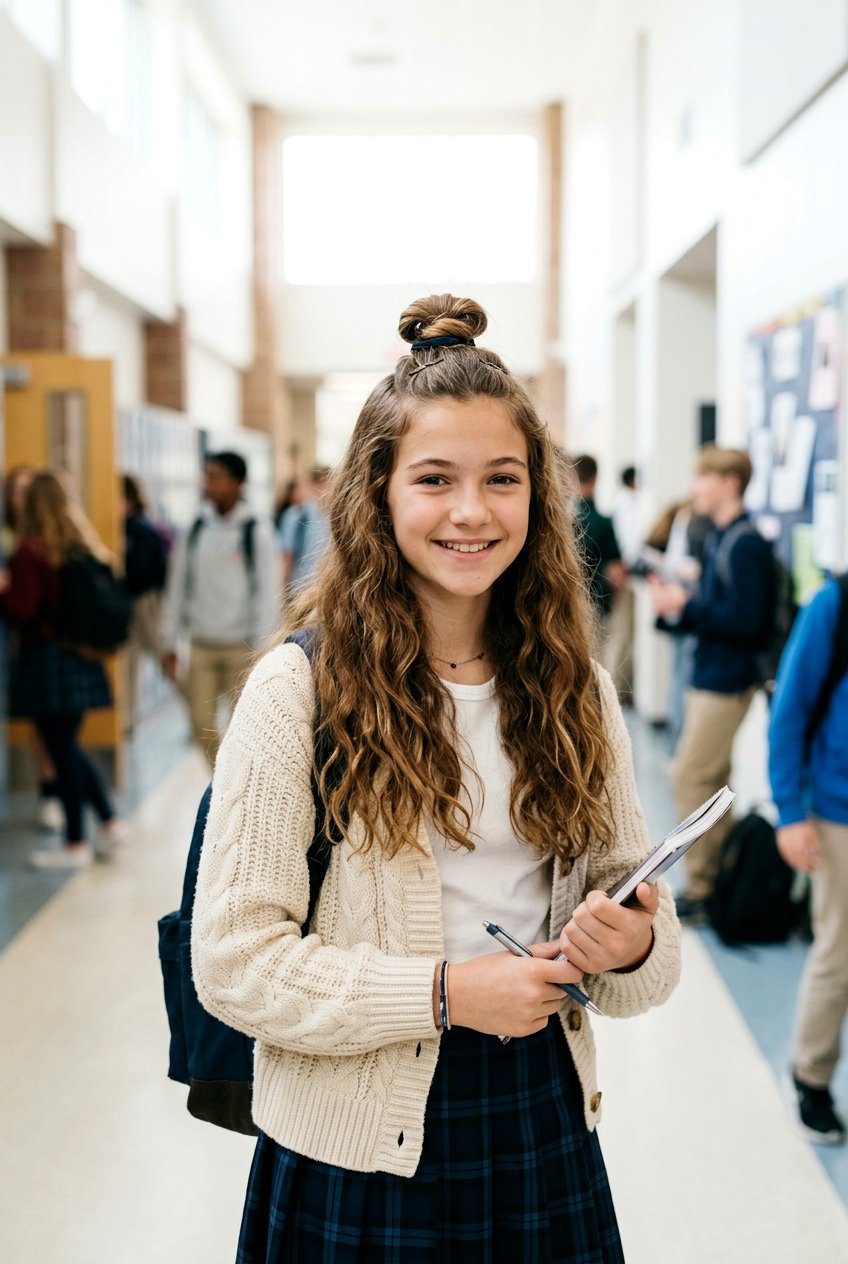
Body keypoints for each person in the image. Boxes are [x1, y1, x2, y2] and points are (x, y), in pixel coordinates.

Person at [191, 294, 681, 1263]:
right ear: (375, 495)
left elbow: (646, 965)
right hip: (354, 1145)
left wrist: (625, 945)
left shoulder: (574, 690)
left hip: (539, 1117)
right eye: (433, 479)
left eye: (502, 478)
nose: (470, 511)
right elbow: (233, 962)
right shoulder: (298, 689)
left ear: (537, 495)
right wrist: (449, 994)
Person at [650, 446, 774, 921]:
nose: (694, 488)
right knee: (711, 779)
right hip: (711, 673)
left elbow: (747, 621)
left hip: (728, 680)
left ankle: (701, 887)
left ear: (729, 482)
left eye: (702, 478)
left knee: (690, 775)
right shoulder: (721, 538)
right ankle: (718, 878)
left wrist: (688, 603)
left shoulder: (744, 544)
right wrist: (681, 607)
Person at [0, 471, 125, 868]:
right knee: (68, 746)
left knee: (62, 749)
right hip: (76, 658)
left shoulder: (29, 550)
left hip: (46, 660)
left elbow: (22, 609)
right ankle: (107, 822)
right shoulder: (76, 545)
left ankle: (76, 843)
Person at [769, 575, 848, 1144]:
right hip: (838, 810)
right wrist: (790, 811)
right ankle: (811, 1077)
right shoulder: (835, 604)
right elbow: (790, 709)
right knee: (839, 952)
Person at [160, 450, 279, 769]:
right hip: (201, 643)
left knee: (245, 726)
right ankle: (223, 781)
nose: (208, 484)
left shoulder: (255, 531)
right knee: (201, 722)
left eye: (215, 477)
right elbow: (177, 587)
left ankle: (235, 786)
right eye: (206, 477)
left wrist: (263, 650)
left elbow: (267, 594)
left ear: (237, 483)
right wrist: (168, 639)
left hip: (241, 646)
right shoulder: (196, 529)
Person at [2, 464, 63, 828]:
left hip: (37, 640)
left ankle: (52, 794)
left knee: (50, 730)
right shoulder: (13, 536)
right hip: (18, 641)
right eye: (16, 491)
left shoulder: (41, 540)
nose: (21, 498)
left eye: (28, 491)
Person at [122, 474, 169, 733]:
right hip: (135, 601)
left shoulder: (138, 529)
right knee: (129, 663)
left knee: (163, 655)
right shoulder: (135, 527)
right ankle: (127, 720)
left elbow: (142, 571)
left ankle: (196, 703)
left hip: (145, 602)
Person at [572, 454, 626, 655]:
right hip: (597, 599)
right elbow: (615, 571)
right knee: (595, 662)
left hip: (563, 601)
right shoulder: (603, 522)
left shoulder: (558, 521)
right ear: (595, 479)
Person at [278, 464, 332, 597]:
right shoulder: (295, 515)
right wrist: (284, 590)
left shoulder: (334, 517)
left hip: (328, 590)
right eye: (321, 483)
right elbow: (286, 555)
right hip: (301, 589)